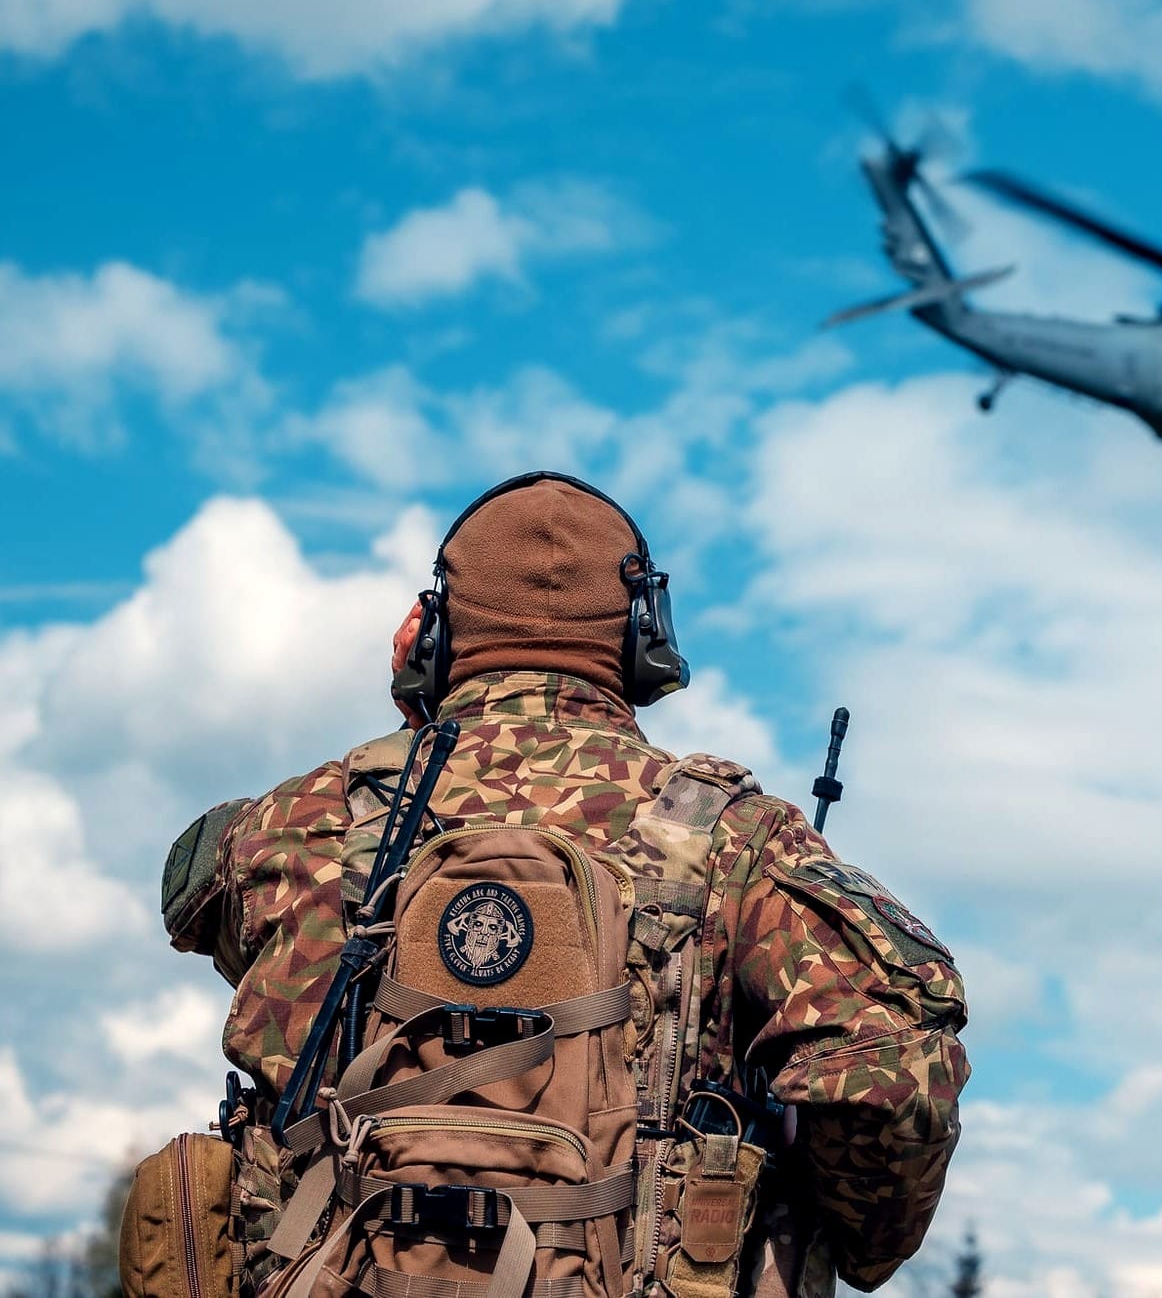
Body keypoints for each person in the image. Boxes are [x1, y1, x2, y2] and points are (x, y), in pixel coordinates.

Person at [163, 472, 968, 1298]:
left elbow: (190, 893)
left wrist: (416, 741)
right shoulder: (738, 838)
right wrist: (844, 1228)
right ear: (643, 634)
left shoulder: (297, 822)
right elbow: (891, 1063)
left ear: (432, 634)